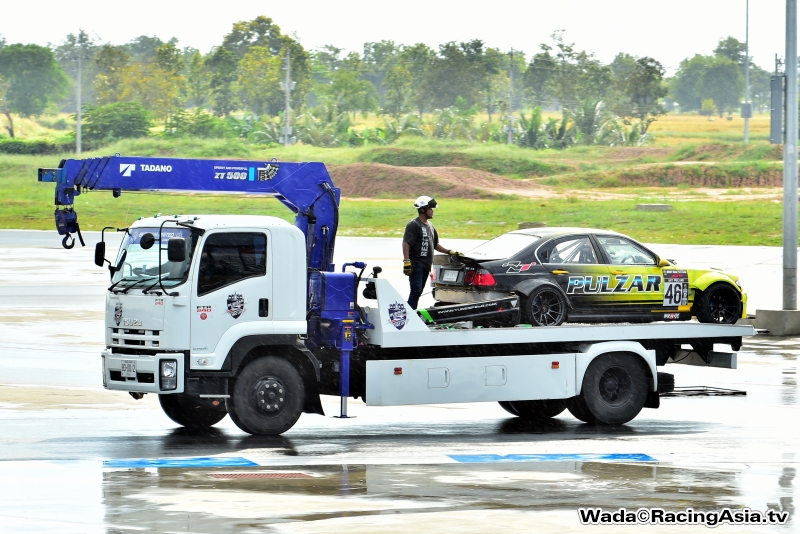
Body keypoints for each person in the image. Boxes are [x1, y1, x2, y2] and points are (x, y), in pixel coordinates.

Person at [402, 196, 462, 309]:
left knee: (418, 291)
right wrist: (406, 261)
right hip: (416, 263)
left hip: (426, 265)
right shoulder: (414, 224)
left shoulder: (430, 226)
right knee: (416, 290)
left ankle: (410, 311)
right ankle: (408, 315)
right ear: (422, 210)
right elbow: (406, 243)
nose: (432, 211)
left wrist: (449, 251)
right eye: (430, 209)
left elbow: (435, 245)